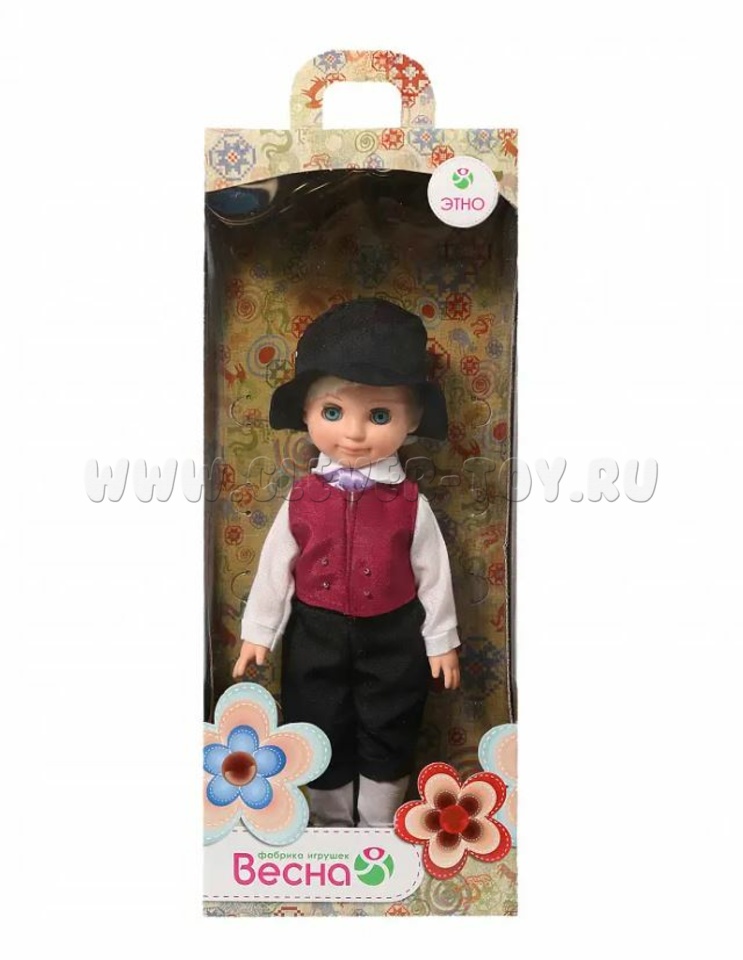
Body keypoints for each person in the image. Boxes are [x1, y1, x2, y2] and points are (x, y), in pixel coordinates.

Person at [233, 297, 460, 827]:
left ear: (412, 419)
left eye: (379, 415)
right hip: (316, 633)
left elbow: (433, 575)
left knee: (391, 723)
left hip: (394, 636)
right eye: (333, 412)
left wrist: (441, 640)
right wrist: (259, 632)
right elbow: (274, 570)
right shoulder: (302, 499)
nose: (354, 434)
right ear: (307, 414)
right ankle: (330, 824)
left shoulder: (411, 503)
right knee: (317, 723)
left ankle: (380, 823)